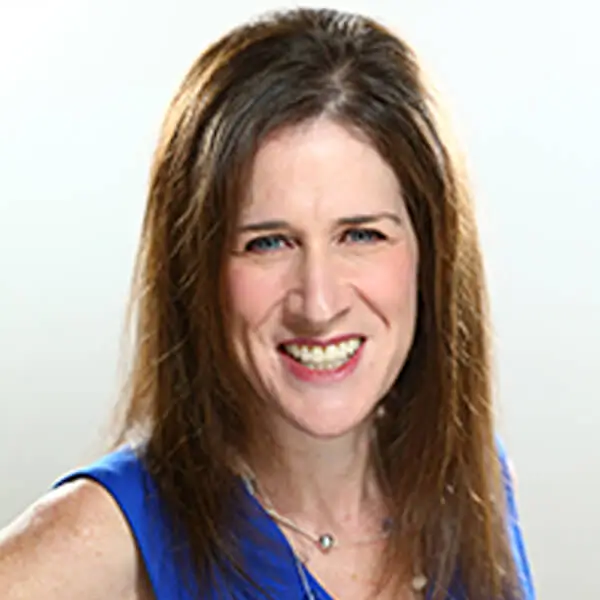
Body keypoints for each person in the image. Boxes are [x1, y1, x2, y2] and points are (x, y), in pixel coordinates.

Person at [0, 7, 535, 600]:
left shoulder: (470, 479)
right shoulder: (108, 536)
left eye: (361, 235)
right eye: (268, 242)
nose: (319, 301)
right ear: (195, 268)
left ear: (431, 254)